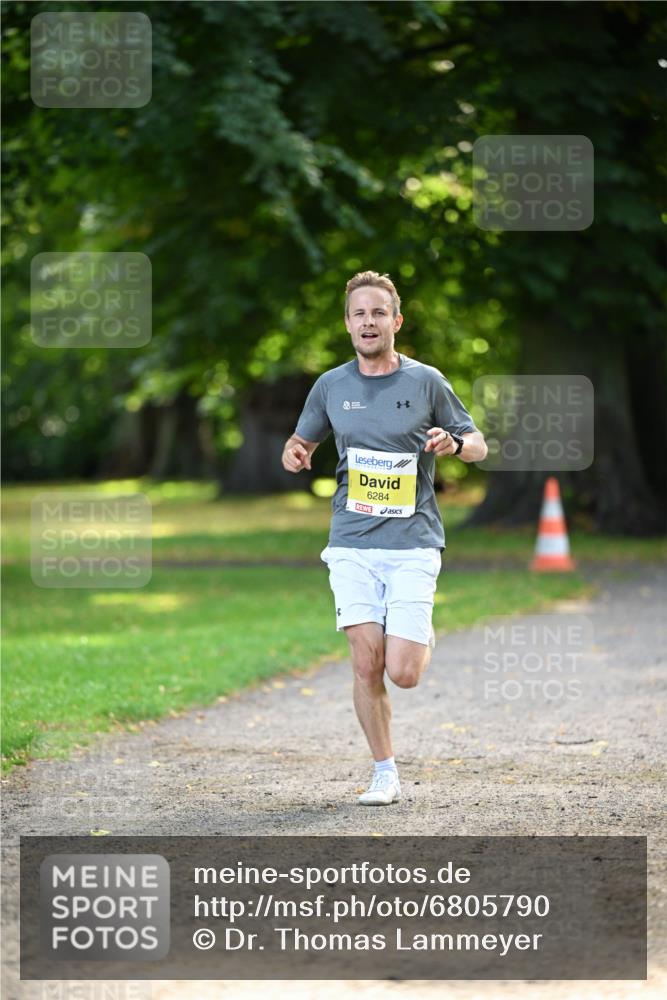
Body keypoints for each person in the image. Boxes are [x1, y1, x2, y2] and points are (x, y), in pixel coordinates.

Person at [281, 271, 487, 805]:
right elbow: (301, 440)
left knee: (404, 672)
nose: (368, 322)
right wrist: (295, 452)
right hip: (351, 541)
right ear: (348, 324)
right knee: (365, 661)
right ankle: (384, 771)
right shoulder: (331, 386)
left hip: (413, 542)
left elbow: (478, 444)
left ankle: (414, 635)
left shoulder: (426, 381)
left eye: (378, 313)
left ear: (396, 321)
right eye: (359, 314)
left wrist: (454, 444)